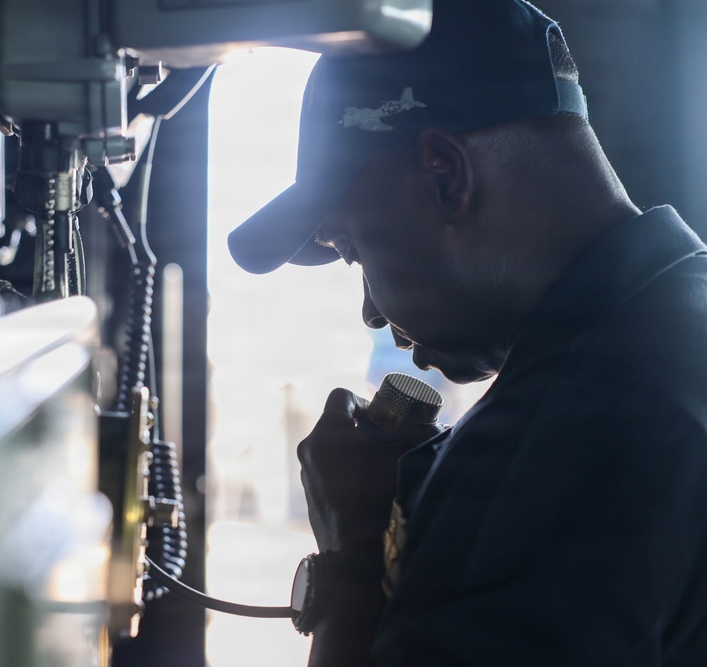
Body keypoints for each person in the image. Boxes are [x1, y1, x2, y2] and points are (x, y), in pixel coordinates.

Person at [227, 0, 707, 665]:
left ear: (446, 175)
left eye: (354, 249)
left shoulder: (555, 443)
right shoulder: (683, 314)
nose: (370, 310)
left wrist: (354, 557)